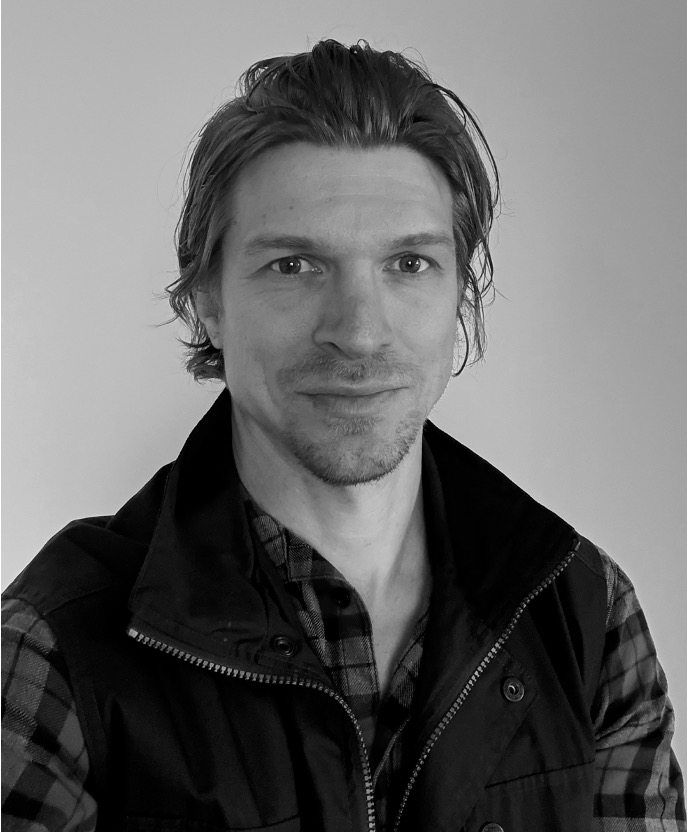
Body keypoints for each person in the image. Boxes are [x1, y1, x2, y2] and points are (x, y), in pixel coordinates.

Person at [1, 38, 684, 832]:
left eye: (409, 264)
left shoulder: (584, 611)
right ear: (208, 303)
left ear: (460, 296)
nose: (359, 332)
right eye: (295, 265)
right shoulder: (55, 645)